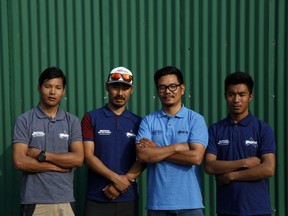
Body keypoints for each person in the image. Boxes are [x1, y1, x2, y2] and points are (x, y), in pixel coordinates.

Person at [136, 66, 208, 216]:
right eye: (162, 87)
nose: (168, 91)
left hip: (190, 204)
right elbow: (143, 155)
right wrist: (177, 147)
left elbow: (196, 157)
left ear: (182, 89)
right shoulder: (148, 121)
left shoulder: (195, 119)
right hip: (158, 205)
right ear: (157, 91)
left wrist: (157, 150)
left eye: (173, 86)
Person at [12, 67, 84, 216]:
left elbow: (78, 159)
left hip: (65, 201)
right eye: (48, 86)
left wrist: (42, 155)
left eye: (58, 87)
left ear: (63, 91)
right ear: (39, 88)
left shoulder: (72, 121)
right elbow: (19, 161)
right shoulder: (25, 120)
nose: (52, 92)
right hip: (35, 202)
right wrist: (57, 168)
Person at [205, 71, 276, 216]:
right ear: (225, 96)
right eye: (231, 94)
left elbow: (268, 169)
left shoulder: (263, 129)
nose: (236, 100)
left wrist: (231, 176)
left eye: (242, 94)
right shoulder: (215, 129)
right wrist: (244, 162)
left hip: (258, 209)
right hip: (226, 209)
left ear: (250, 96)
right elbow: (210, 165)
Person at [81, 66, 145, 216]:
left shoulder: (139, 122)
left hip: (128, 199)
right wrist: (117, 180)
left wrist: (122, 184)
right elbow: (88, 156)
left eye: (125, 88)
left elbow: (143, 158)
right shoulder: (91, 118)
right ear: (107, 87)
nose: (120, 93)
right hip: (97, 197)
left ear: (132, 90)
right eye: (115, 87)